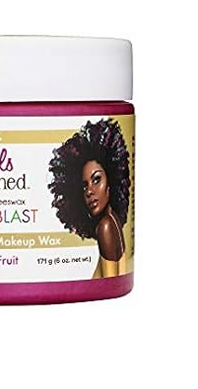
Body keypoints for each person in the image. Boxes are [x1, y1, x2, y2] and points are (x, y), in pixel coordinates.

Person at [49, 119, 130, 278]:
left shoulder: (105, 226)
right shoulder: (113, 222)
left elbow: (108, 285)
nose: (89, 192)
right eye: (84, 186)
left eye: (96, 180)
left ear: (111, 180)